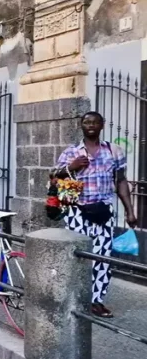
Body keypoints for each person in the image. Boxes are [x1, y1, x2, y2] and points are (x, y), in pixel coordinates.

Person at [52, 112, 138, 318]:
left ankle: (96, 301)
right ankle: (74, 297)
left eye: (94, 122)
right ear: (81, 126)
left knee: (102, 258)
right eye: (86, 122)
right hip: (77, 212)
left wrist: (130, 210)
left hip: (104, 212)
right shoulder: (71, 151)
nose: (90, 125)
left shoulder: (114, 151)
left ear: (102, 125)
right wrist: (70, 167)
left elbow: (121, 182)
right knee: (77, 257)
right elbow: (54, 175)